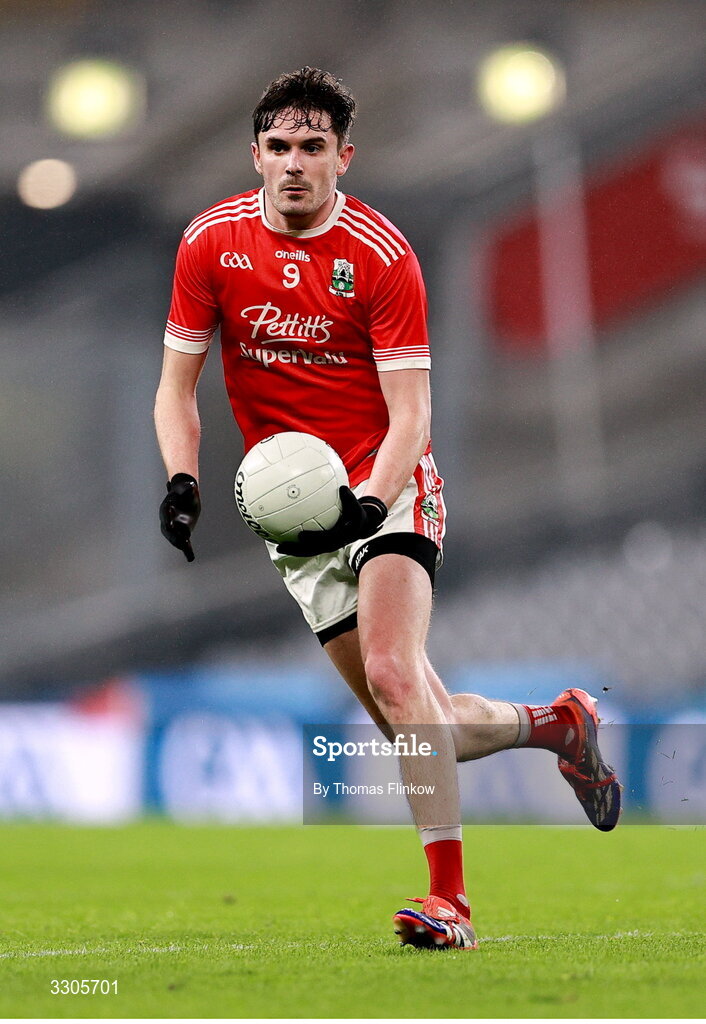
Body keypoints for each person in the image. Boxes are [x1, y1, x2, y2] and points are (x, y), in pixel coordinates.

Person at [154, 67, 621, 951]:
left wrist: (371, 503)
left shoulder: (380, 253)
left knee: (396, 675)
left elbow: (412, 414)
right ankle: (559, 724)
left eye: (313, 147)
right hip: (296, 523)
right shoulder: (211, 243)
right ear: (255, 155)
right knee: (420, 729)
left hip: (389, 485)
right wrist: (183, 481)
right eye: (279, 146)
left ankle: (452, 904)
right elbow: (176, 387)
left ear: (344, 158)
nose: (295, 163)